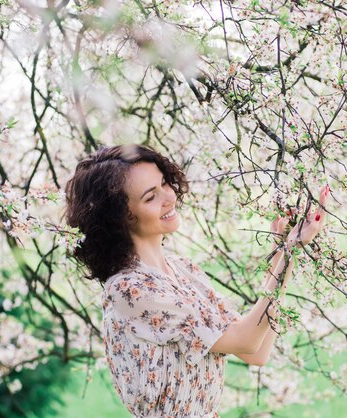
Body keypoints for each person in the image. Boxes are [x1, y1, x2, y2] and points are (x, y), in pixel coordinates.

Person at [64, 144, 329, 418]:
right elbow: (247, 341)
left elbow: (256, 351)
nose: (168, 197)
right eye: (150, 197)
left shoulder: (184, 271)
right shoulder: (130, 289)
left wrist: (285, 252)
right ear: (120, 218)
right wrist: (288, 251)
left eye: (164, 183)